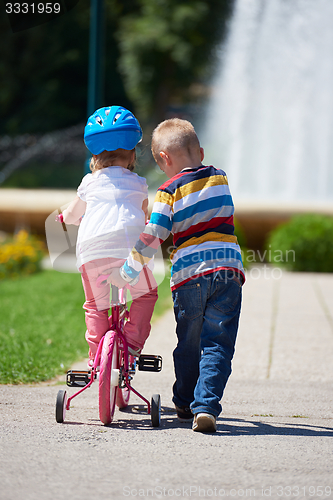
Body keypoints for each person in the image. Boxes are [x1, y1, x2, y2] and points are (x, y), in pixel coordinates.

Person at [109, 117, 245, 433]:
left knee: (188, 343)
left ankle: (183, 402)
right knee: (218, 344)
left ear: (164, 159)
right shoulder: (220, 177)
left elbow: (155, 232)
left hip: (189, 276)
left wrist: (128, 270)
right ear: (200, 150)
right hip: (228, 272)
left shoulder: (169, 190)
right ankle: (206, 407)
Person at [59, 105, 158, 367]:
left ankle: (97, 359)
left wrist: (65, 219)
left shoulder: (88, 182)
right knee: (145, 295)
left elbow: (71, 215)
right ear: (132, 153)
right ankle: (132, 345)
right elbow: (144, 216)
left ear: (94, 154)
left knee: (95, 305)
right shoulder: (138, 183)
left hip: (92, 250)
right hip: (129, 250)